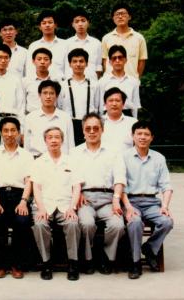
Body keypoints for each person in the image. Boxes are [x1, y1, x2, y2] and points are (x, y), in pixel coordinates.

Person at [71, 113, 125, 275]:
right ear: (83, 131)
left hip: (108, 199)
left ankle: (107, 257)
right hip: (84, 199)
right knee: (86, 223)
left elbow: (120, 178)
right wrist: (77, 193)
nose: (92, 132)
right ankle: (88, 259)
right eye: (88, 128)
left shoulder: (114, 152)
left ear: (102, 130)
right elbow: (69, 178)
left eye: (96, 128)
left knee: (117, 225)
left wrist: (116, 199)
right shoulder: (74, 152)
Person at [122, 121, 174, 279]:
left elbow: (167, 186)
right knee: (135, 222)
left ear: (152, 137)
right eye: (139, 134)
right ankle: (135, 262)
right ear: (133, 136)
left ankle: (150, 248)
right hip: (131, 202)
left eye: (146, 134)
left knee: (167, 222)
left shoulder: (159, 158)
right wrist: (128, 207)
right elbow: (120, 185)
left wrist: (165, 206)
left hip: (152, 203)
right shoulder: (124, 157)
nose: (142, 137)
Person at [0, 117, 33, 279]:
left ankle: (17, 264)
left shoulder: (26, 155)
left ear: (18, 133)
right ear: (1, 133)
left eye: (13, 130)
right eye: (6, 131)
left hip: (20, 196)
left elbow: (28, 181)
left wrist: (24, 202)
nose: (9, 134)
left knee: (23, 221)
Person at [30, 127, 82, 281]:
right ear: (45, 141)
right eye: (50, 137)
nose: (53, 140)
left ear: (62, 140)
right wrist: (41, 209)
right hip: (44, 204)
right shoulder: (39, 162)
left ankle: (73, 263)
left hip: (65, 205)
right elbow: (36, 188)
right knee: (40, 224)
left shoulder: (71, 161)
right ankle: (46, 263)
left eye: (57, 137)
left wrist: (72, 208)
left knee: (72, 223)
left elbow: (76, 187)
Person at [58, 48, 100, 145]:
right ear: (70, 64)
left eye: (81, 61)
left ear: (86, 63)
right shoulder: (63, 85)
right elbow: (59, 107)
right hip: (69, 124)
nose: (78, 64)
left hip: (90, 125)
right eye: (74, 61)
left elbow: (97, 107)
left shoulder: (95, 84)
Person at [23, 80, 74, 157]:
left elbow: (71, 145)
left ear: (57, 96)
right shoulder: (30, 118)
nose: (48, 96)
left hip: (60, 160)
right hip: (37, 159)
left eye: (51, 93)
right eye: (45, 93)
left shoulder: (66, 117)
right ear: (39, 95)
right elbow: (26, 146)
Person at [101, 3, 148, 79]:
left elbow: (142, 61)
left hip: (131, 81)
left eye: (123, 14)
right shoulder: (106, 38)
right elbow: (104, 60)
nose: (120, 16)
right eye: (117, 14)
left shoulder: (139, 38)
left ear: (129, 17)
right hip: (111, 82)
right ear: (113, 18)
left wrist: (135, 79)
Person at [98, 45, 141, 117]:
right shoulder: (102, 82)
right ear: (110, 62)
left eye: (120, 57)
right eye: (114, 58)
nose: (117, 61)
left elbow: (135, 106)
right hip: (108, 116)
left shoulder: (133, 82)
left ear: (125, 60)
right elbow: (101, 106)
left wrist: (135, 121)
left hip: (127, 114)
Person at [27, 10, 67, 80]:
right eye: (44, 23)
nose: (47, 25)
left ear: (55, 25)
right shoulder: (33, 46)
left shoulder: (65, 45)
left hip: (60, 83)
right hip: (39, 84)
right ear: (40, 27)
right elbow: (30, 69)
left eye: (50, 22)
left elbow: (69, 69)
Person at [64, 9, 102, 80]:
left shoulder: (96, 43)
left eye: (83, 21)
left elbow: (98, 67)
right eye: (77, 21)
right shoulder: (66, 44)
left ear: (88, 23)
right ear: (72, 24)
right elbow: (64, 66)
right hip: (71, 82)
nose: (80, 24)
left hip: (91, 82)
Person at [23, 48, 60, 114]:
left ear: (50, 62)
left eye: (46, 59)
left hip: (52, 115)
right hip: (31, 116)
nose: (42, 62)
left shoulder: (56, 80)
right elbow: (22, 102)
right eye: (39, 59)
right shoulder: (25, 81)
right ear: (33, 61)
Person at [101, 87, 137, 152]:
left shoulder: (133, 122)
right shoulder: (98, 122)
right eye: (111, 100)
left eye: (117, 101)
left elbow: (138, 146)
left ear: (123, 104)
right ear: (105, 104)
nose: (114, 104)